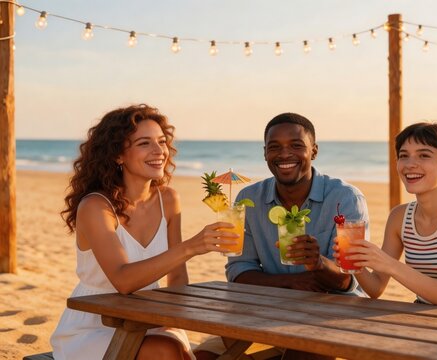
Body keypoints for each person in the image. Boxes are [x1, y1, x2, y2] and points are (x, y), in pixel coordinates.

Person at [51, 104, 239, 360]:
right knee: (166, 350)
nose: (159, 151)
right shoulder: (95, 207)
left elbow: (177, 277)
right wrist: (192, 247)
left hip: (151, 315)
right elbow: (123, 280)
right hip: (95, 323)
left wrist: (174, 321)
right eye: (144, 143)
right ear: (118, 155)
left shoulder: (168, 199)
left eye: (162, 142)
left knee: (178, 348)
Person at [205, 113, 368, 360]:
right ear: (265, 154)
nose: (284, 154)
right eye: (274, 147)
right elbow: (238, 272)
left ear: (313, 151)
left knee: (304, 351)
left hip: (333, 314)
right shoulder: (249, 199)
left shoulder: (345, 198)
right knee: (205, 355)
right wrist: (290, 282)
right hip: (269, 312)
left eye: (296, 145)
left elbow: (350, 281)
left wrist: (319, 263)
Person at [336, 122, 437, 312]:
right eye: (403, 156)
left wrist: (389, 264)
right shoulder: (399, 217)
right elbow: (375, 288)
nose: (409, 164)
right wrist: (356, 261)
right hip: (424, 313)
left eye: (424, 155)